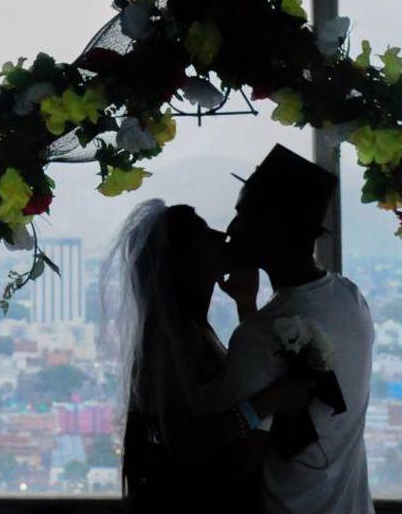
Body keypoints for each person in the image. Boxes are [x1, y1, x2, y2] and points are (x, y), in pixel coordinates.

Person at [100, 199, 318, 514]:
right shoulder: (171, 339)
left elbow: (240, 381)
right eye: (204, 233)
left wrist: (246, 304)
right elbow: (183, 441)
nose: (220, 236)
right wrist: (269, 403)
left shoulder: (193, 329)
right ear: (185, 262)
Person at [216, 144, 376, 514]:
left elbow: (239, 463)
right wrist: (247, 306)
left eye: (243, 216)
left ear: (275, 228)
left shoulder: (258, 334)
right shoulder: (351, 301)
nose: (231, 229)